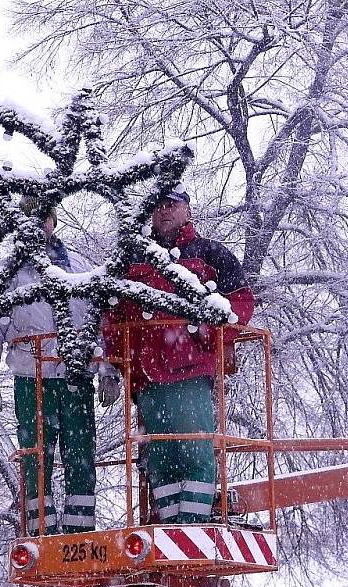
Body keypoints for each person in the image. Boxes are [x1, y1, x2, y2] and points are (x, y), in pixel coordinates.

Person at [103, 187, 255, 524]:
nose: (164, 211)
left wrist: (207, 333)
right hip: (146, 380)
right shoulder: (133, 260)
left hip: (190, 374)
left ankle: (192, 529)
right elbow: (112, 317)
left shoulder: (211, 254)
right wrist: (115, 365)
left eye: (172, 205)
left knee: (195, 451)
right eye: (157, 206)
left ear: (188, 210)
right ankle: (174, 527)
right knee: (161, 458)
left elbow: (241, 304)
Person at [0, 196, 120, 536]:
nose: (38, 225)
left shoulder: (80, 268)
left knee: (81, 453)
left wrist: (109, 370)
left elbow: (101, 322)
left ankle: (80, 532)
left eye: (44, 218)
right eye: (29, 219)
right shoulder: (5, 277)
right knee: (36, 457)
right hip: (31, 377)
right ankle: (42, 531)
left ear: (54, 221)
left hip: (75, 374)